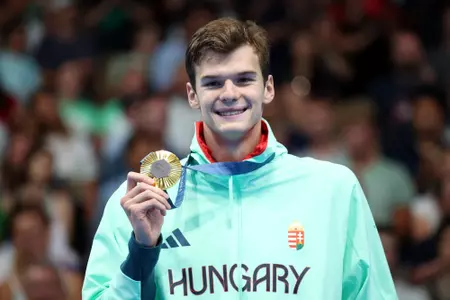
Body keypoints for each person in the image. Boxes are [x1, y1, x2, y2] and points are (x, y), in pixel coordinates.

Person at [83, 18, 397, 299]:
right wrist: (141, 251)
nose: (230, 93)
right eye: (213, 82)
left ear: (268, 89)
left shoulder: (333, 190)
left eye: (244, 79)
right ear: (193, 95)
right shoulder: (142, 203)